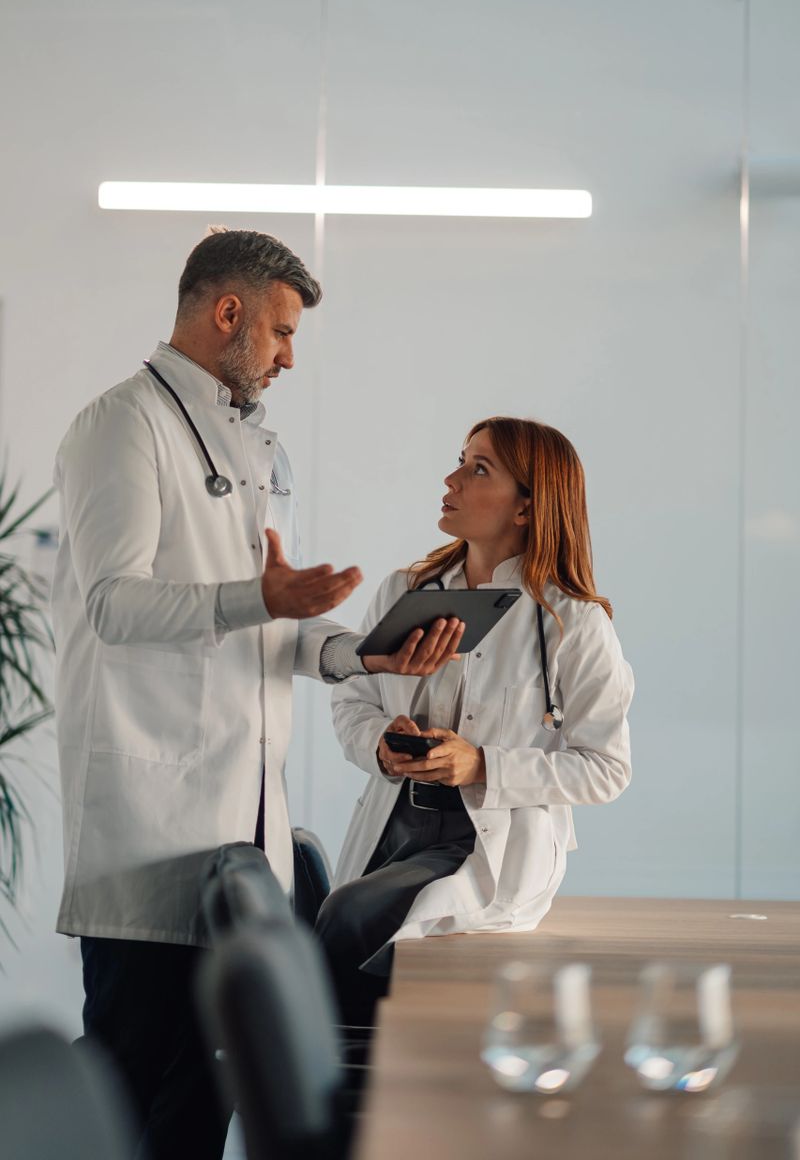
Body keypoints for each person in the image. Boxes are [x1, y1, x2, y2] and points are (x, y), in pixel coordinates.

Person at [51, 227, 464, 1160]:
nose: (286, 356)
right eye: (280, 332)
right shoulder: (123, 424)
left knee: (204, 1095)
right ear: (225, 311)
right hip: (148, 824)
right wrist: (259, 598)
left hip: (242, 827)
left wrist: (364, 654)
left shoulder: (257, 448)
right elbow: (113, 605)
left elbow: (268, 627)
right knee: (124, 1086)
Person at [317, 416, 634, 1026]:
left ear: (525, 507)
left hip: (488, 843)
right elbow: (353, 700)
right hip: (397, 824)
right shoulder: (406, 591)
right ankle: (350, 1089)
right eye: (460, 460)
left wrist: (481, 763)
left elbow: (607, 769)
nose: (451, 478)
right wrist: (381, 744)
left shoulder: (573, 621)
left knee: (351, 919)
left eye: (478, 468)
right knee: (351, 927)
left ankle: (337, 1092)